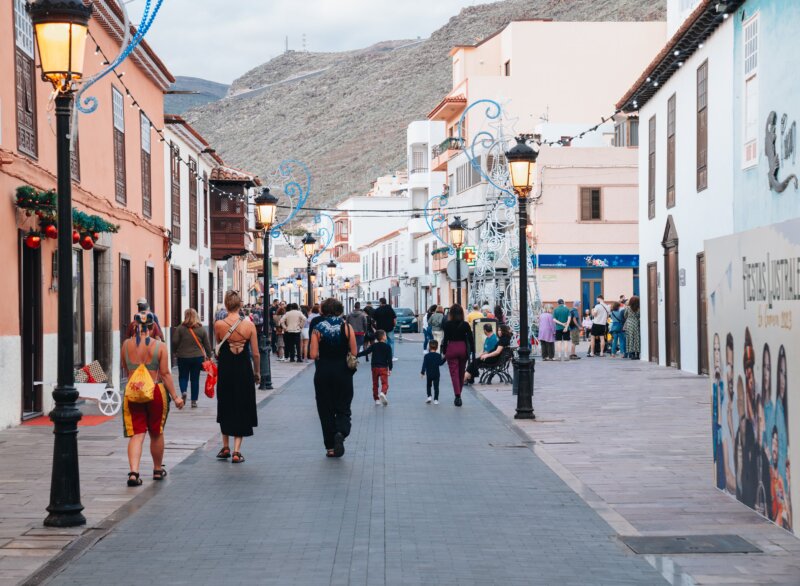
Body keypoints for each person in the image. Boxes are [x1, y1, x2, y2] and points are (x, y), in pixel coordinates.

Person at [121, 312, 184, 487]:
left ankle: (134, 473)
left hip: (133, 392)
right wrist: (176, 397)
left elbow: (125, 368)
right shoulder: (160, 346)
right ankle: (157, 469)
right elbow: (165, 374)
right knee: (156, 432)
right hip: (155, 390)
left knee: (137, 433)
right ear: (152, 326)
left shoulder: (126, 345)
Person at [214, 291, 260, 464]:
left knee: (225, 403)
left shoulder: (218, 324)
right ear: (240, 305)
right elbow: (255, 354)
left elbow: (217, 346)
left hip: (226, 368)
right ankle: (236, 451)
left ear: (226, 304)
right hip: (243, 369)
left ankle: (225, 446)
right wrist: (257, 373)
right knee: (242, 404)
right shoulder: (249, 326)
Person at [309, 298, 357, 458]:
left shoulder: (317, 329)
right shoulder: (347, 327)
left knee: (325, 410)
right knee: (343, 407)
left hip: (323, 372)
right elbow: (354, 352)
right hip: (343, 372)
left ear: (323, 310)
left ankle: (330, 447)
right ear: (339, 309)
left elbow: (313, 354)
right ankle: (341, 433)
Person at [171, 308, 213, 408]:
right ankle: (194, 401)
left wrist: (175, 352)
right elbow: (207, 345)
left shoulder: (180, 328)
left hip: (183, 357)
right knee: (195, 379)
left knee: (183, 377)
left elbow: (174, 341)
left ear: (185, 316)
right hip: (197, 357)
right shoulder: (201, 329)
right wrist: (209, 356)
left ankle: (184, 392)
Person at [441, 304, 472, 407]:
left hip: (452, 348)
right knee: (461, 373)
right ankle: (459, 394)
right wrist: (471, 351)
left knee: (454, 373)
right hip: (463, 348)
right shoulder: (465, 325)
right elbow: (471, 339)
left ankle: (457, 395)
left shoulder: (447, 324)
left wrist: (444, 351)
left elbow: (445, 339)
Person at [358, 329, 393, 406]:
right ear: (383, 337)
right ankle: (383, 393)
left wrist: (357, 354)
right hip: (383, 367)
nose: (386, 336)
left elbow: (366, 352)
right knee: (385, 383)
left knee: (375, 384)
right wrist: (390, 369)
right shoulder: (388, 347)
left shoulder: (374, 345)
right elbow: (389, 359)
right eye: (385, 335)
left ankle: (376, 399)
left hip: (374, 367)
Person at [420, 339, 446, 404]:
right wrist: (445, 358)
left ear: (429, 347)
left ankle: (429, 396)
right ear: (437, 348)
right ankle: (436, 399)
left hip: (429, 374)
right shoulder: (438, 355)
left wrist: (422, 372)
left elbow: (424, 365)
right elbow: (440, 363)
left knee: (428, 385)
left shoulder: (426, 356)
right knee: (436, 387)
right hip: (436, 374)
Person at [623, 295, 641, 360]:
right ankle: (638, 354)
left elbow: (625, 315)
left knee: (630, 338)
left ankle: (632, 354)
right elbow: (639, 316)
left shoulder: (628, 308)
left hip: (629, 323)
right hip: (636, 323)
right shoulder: (639, 308)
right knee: (637, 338)